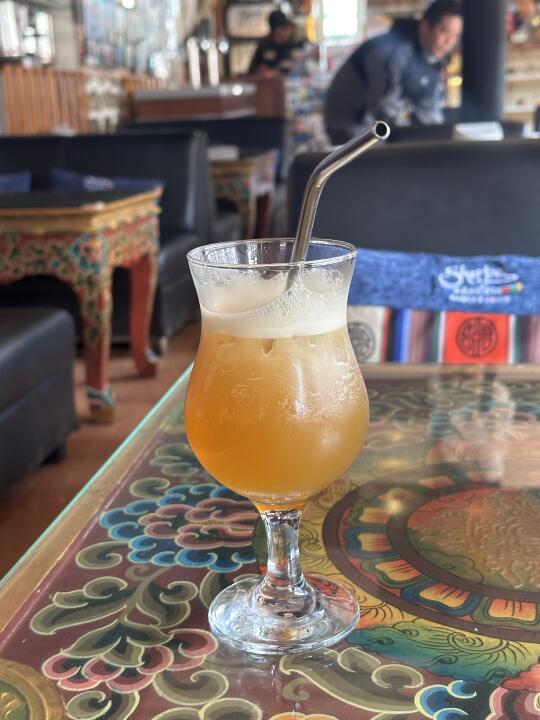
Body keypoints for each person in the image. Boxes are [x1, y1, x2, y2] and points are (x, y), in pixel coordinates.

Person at [324, 0, 463, 144]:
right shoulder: (391, 52)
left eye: (455, 35)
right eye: (444, 31)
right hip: (350, 125)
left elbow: (428, 110)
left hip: (377, 125)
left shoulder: (432, 59)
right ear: (425, 26)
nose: (449, 41)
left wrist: (439, 139)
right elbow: (384, 109)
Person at [248, 10, 298, 75]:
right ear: (277, 29)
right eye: (284, 28)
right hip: (267, 80)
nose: (288, 32)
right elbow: (252, 70)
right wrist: (262, 71)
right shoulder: (264, 45)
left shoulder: (289, 45)